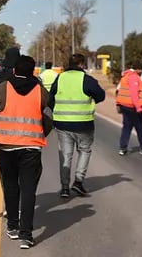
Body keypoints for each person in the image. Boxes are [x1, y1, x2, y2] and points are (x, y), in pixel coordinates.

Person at [0, 55, 53, 249]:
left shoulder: (2, 88)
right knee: (29, 190)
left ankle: (12, 226)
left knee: (11, 186)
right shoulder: (41, 92)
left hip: (6, 147)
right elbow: (48, 118)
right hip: (31, 148)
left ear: (14, 70)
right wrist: (39, 132)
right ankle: (26, 235)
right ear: (33, 72)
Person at [49, 54, 105, 198]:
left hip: (62, 124)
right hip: (83, 124)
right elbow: (101, 96)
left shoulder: (60, 78)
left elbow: (50, 99)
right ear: (81, 64)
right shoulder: (86, 79)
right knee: (84, 151)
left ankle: (65, 188)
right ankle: (78, 181)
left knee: (65, 155)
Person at [116, 61, 142, 156]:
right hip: (132, 107)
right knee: (140, 127)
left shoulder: (125, 76)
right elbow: (134, 94)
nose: (141, 73)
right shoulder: (134, 78)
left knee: (127, 127)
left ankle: (123, 148)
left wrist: (118, 103)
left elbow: (119, 90)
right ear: (138, 70)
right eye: (141, 71)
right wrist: (138, 107)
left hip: (124, 105)